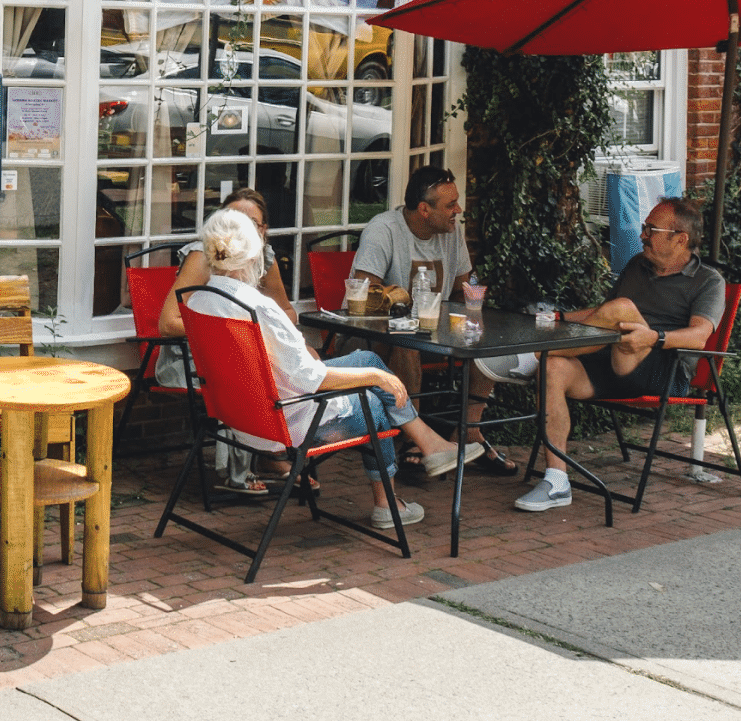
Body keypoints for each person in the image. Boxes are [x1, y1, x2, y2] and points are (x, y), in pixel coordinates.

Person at [188, 208, 480, 528]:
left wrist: (353, 366)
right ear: (254, 252)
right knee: (374, 403)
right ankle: (387, 504)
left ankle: (430, 444)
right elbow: (310, 378)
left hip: (240, 417)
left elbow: (262, 363)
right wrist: (377, 378)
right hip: (289, 423)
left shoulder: (199, 300)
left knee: (368, 359)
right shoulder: (258, 307)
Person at [515, 196, 726, 512]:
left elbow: (699, 336)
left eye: (651, 229)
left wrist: (652, 338)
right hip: (612, 359)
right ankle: (556, 481)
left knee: (624, 308)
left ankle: (528, 356)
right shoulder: (637, 265)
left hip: (660, 370)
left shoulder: (708, 280)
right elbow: (604, 314)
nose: (642, 235)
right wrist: (559, 317)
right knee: (555, 368)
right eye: (644, 228)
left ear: (681, 239)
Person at [350, 165, 516, 476]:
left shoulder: (451, 232)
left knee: (485, 334)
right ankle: (416, 438)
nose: (459, 210)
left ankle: (469, 431)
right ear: (424, 209)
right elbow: (363, 290)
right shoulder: (384, 229)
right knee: (406, 341)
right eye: (450, 205)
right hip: (380, 339)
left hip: (436, 333)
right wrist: (399, 299)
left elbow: (464, 287)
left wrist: (475, 308)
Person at [156, 188, 299, 496]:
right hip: (192, 357)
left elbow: (289, 311)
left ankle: (277, 447)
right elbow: (168, 323)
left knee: (300, 358)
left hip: (253, 345)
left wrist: (269, 327)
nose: (242, 229)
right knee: (247, 365)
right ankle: (262, 459)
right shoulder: (204, 256)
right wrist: (225, 330)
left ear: (263, 230)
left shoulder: (265, 257)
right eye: (235, 219)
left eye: (251, 222)